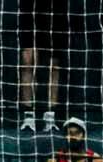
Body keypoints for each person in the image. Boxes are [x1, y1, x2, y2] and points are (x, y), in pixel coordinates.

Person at [18, 0, 68, 133]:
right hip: (30, 9)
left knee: (54, 65)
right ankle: (28, 117)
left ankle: (50, 118)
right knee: (28, 61)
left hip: (55, 9)